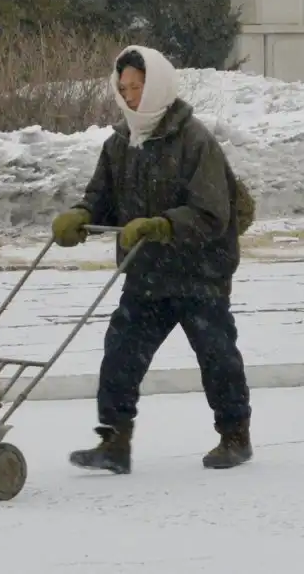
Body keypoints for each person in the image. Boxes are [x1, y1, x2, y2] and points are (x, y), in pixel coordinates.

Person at [52, 45, 252, 474]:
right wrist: (82, 216)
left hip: (200, 273)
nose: (129, 96)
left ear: (158, 85)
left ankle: (235, 436)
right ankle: (114, 442)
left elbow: (211, 213)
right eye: (123, 88)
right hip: (146, 273)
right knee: (121, 352)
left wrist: (161, 225)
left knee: (217, 354)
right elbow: (102, 198)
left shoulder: (195, 142)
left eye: (137, 87)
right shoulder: (120, 143)